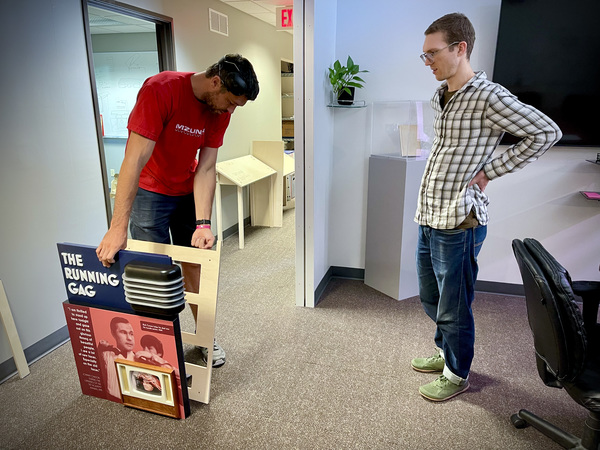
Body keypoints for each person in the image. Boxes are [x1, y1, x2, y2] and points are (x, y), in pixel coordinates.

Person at [411, 13, 561, 402]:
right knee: (431, 296)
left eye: (433, 53)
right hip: (430, 213)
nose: (428, 62)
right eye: (424, 55)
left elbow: (546, 131)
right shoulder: (441, 94)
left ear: (460, 49)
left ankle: (457, 373)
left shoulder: (488, 95)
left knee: (455, 305)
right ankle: (445, 351)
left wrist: (491, 171)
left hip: (460, 218)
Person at [96, 54, 260, 368]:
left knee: (195, 265)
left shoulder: (219, 111)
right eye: (230, 102)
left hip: (186, 188)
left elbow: (207, 166)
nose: (230, 110)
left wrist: (203, 223)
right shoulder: (161, 89)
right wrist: (117, 227)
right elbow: (133, 161)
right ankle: (160, 350)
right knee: (153, 273)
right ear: (215, 82)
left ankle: (204, 337)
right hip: (150, 193)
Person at [97, 317, 135, 401]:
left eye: (131, 333)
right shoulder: (106, 355)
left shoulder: (140, 359)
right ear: (113, 334)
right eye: (123, 332)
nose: (129, 338)